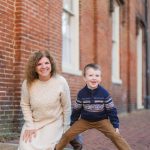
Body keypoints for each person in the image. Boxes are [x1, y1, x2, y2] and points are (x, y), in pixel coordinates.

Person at [55, 63, 132, 150]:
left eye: (97, 75)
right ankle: (58, 148)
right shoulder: (81, 94)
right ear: (85, 78)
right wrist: (72, 123)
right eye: (90, 75)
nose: (94, 78)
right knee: (68, 134)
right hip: (85, 120)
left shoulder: (104, 93)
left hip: (102, 120)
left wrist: (115, 125)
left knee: (115, 135)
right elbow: (77, 109)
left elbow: (111, 110)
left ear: (100, 78)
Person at [18, 50, 71, 150]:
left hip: (53, 123)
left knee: (46, 147)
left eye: (46, 63)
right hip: (34, 123)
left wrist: (66, 127)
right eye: (39, 64)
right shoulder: (28, 83)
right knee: (25, 146)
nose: (44, 67)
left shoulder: (61, 82)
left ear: (51, 64)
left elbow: (66, 107)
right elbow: (25, 104)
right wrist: (29, 125)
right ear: (34, 67)